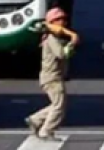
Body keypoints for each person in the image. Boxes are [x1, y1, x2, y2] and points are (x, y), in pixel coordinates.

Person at [25, 7, 79, 140]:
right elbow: (61, 54)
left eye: (64, 19)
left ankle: (35, 120)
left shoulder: (53, 38)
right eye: (59, 20)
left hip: (52, 76)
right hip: (52, 77)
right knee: (59, 105)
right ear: (52, 23)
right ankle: (46, 131)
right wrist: (72, 43)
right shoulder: (51, 38)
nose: (63, 23)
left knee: (58, 104)